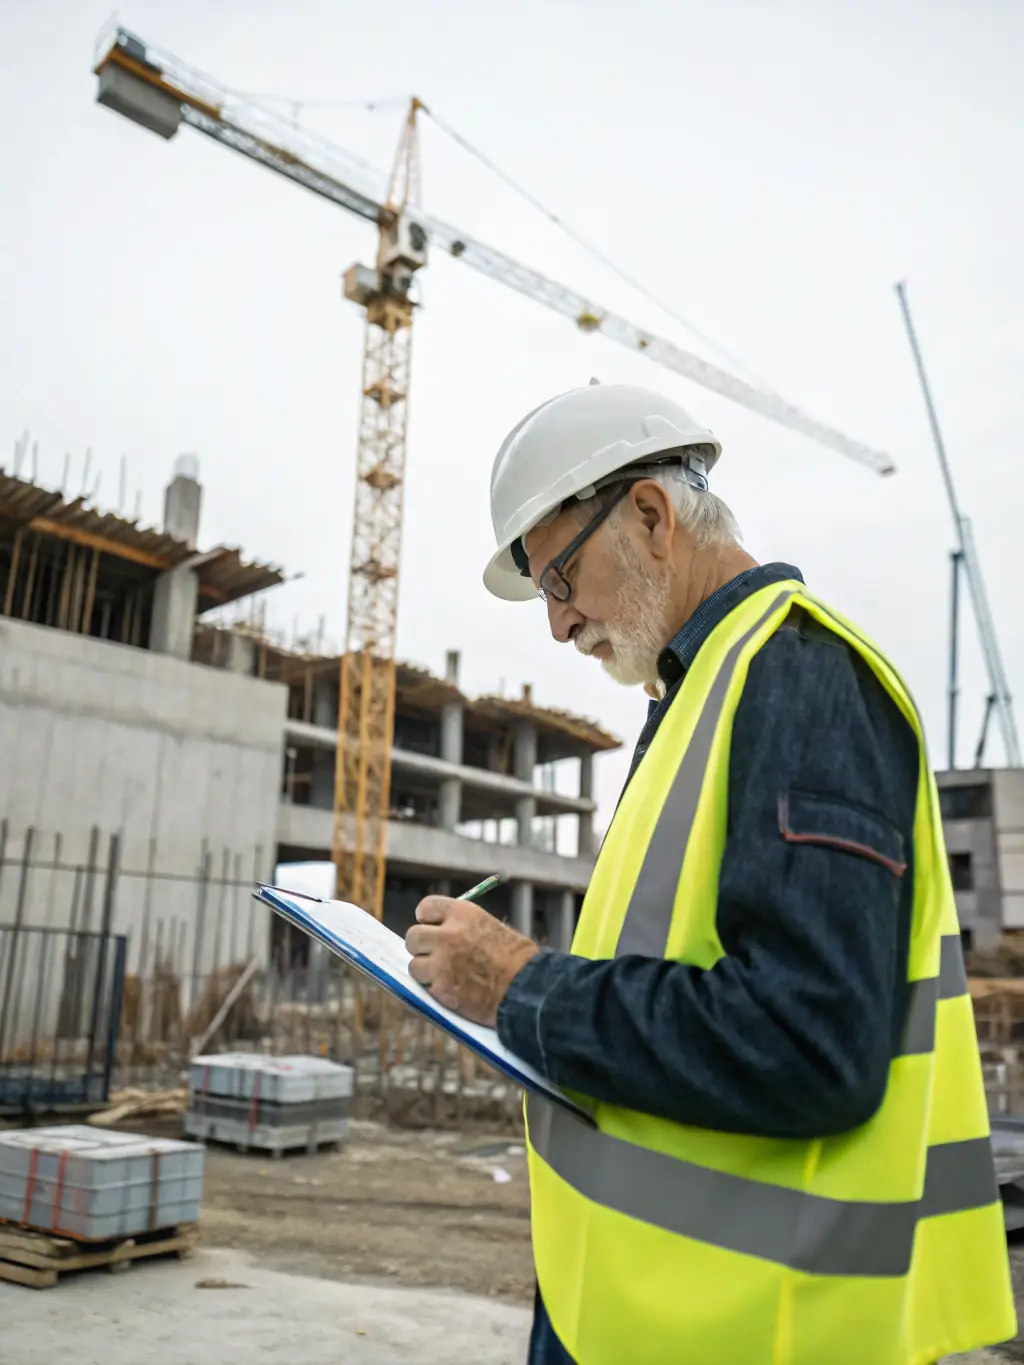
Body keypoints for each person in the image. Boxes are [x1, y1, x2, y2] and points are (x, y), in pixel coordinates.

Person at [404, 382, 1015, 1365]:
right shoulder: (694, 700)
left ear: (647, 516)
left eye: (561, 581)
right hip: (625, 1311)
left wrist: (522, 986)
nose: (558, 626)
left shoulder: (798, 678)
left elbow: (807, 1042)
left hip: (754, 1330)